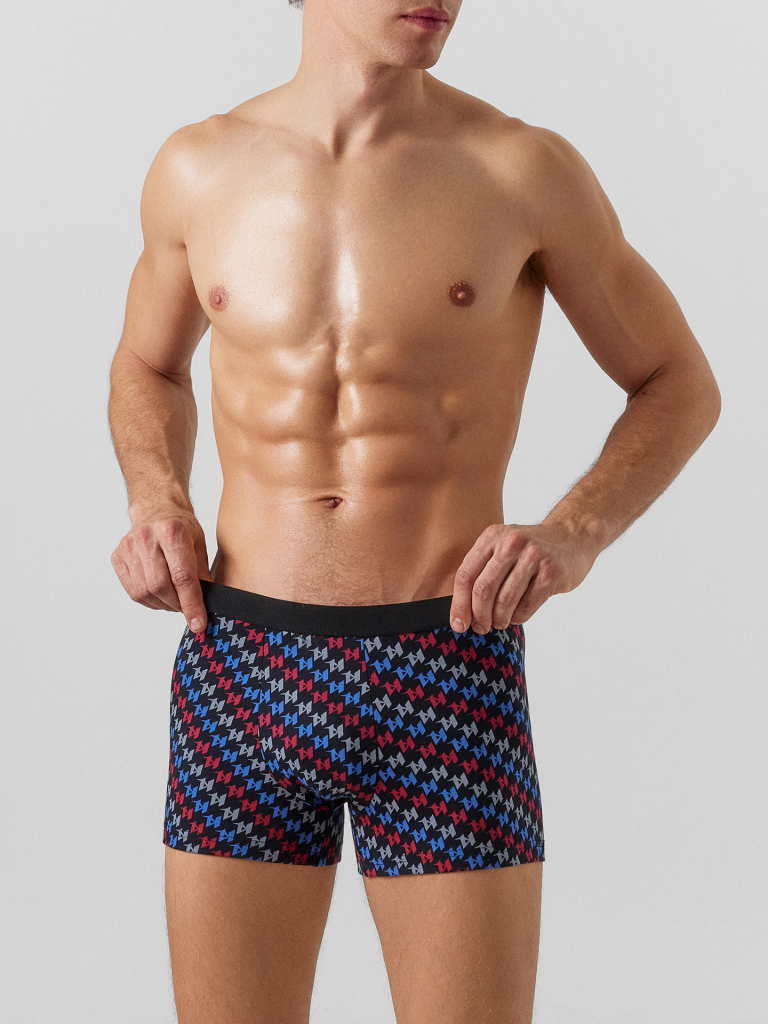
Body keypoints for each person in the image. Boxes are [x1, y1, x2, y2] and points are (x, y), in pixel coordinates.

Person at [107, 2, 720, 1021]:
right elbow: (146, 363)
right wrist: (154, 492)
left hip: (447, 663)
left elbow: (677, 381)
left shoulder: (520, 170)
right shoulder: (198, 168)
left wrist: (575, 532)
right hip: (241, 664)